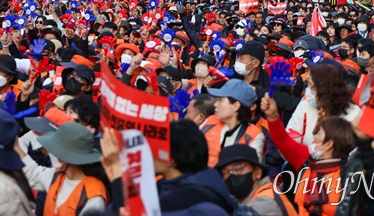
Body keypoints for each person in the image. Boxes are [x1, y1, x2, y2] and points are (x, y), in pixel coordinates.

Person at [101, 120, 235, 215]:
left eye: (152, 149)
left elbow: (129, 212)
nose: (146, 154)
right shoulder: (167, 184)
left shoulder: (191, 197)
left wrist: (119, 176)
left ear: (170, 160)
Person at [261, 94, 357, 216]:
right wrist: (272, 115)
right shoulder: (307, 161)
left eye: (319, 134)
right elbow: (283, 142)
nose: (313, 138)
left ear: (328, 144)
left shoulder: (348, 177)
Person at [16, 122, 108, 215]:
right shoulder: (57, 176)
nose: (51, 153)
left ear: (65, 157)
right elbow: (33, 173)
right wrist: (16, 146)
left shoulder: (92, 196)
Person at [286, 60, 361, 146]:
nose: (308, 90)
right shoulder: (306, 103)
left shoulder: (354, 116)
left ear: (325, 87)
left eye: (310, 85)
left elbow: (351, 154)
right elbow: (289, 140)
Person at [216, 144, 297, 216]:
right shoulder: (243, 198)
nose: (232, 174)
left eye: (239, 167)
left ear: (257, 172)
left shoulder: (265, 202)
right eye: (225, 171)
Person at [202, 79, 265, 166]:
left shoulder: (254, 136)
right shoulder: (210, 121)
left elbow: (248, 173)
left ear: (235, 106)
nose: (215, 104)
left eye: (220, 100)